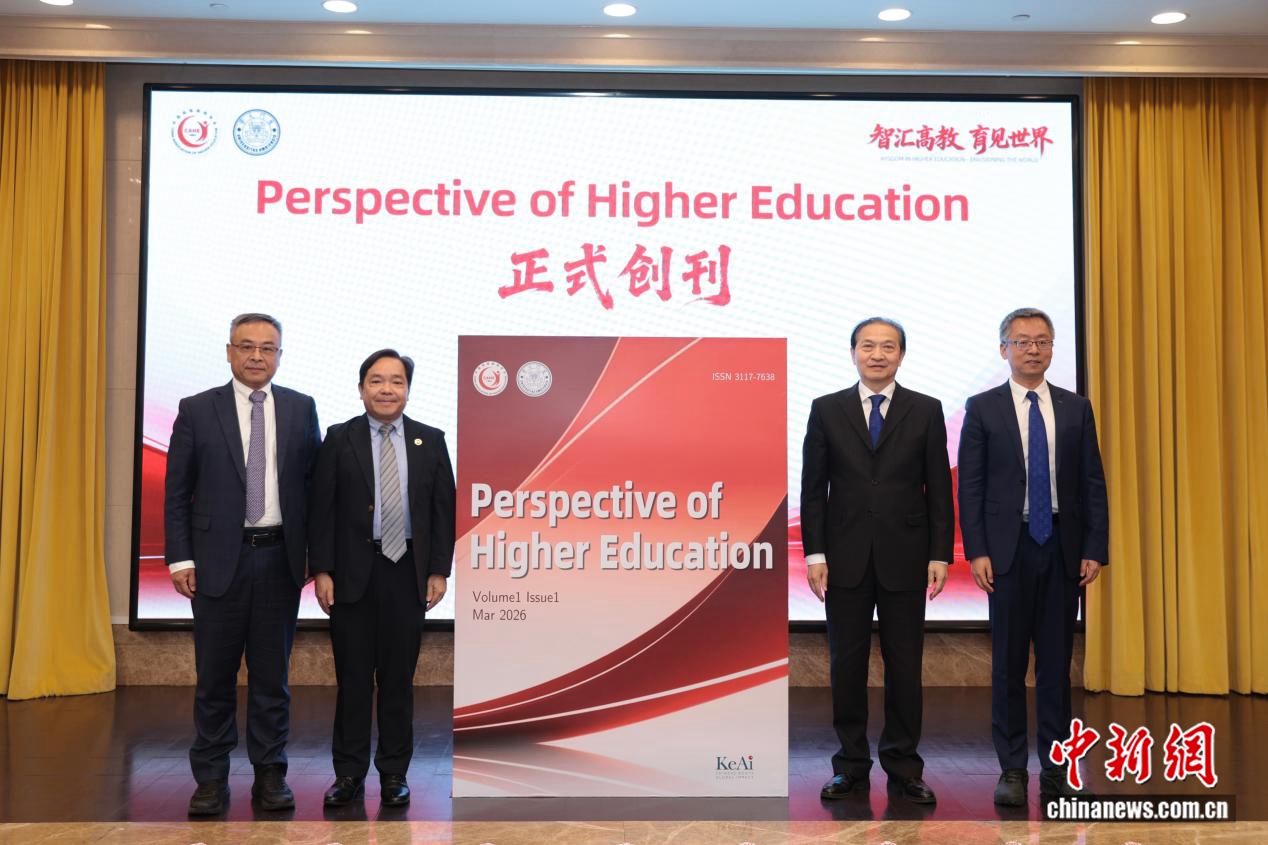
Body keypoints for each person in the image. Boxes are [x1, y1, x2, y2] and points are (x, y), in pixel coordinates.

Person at [164, 312, 321, 815]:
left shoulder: (300, 408)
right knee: (214, 679)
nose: (257, 356)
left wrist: (317, 559)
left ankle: (270, 774)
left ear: (280, 355)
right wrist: (180, 558)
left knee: (273, 680)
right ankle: (210, 779)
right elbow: (177, 492)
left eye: (267, 348)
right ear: (229, 351)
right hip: (216, 564)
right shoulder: (197, 409)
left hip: (279, 561)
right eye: (247, 346)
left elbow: (315, 490)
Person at [957, 307, 1108, 806]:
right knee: (1007, 665)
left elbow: (1093, 483)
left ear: (1052, 348)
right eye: (1022, 341)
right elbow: (971, 487)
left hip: (1063, 547)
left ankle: (1057, 769)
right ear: (1004, 349)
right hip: (1007, 550)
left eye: (1042, 341)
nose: (1033, 349)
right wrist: (977, 550)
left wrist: (1094, 548)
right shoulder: (983, 408)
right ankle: (1012, 770)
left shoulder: (1076, 408)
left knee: (1056, 667)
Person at [800, 317, 954, 805]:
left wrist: (940, 553)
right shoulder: (826, 409)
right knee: (845, 665)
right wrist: (815, 553)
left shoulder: (926, 409)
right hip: (843, 558)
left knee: (905, 666)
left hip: (907, 557)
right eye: (868, 346)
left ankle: (904, 767)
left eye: (888, 347)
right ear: (853, 353)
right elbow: (813, 490)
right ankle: (849, 766)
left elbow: (939, 488)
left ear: (901, 355)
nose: (878, 354)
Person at [309, 349, 456, 807]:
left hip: (406, 573)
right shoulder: (340, 438)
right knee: (353, 681)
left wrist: (438, 569)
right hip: (352, 575)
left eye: (396, 381)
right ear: (361, 389)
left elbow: (443, 510)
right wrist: (322, 570)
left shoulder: (431, 440)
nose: (386, 389)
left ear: (408, 389)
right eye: (376, 380)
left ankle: (394, 773)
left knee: (397, 681)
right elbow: (321, 509)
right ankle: (348, 774)